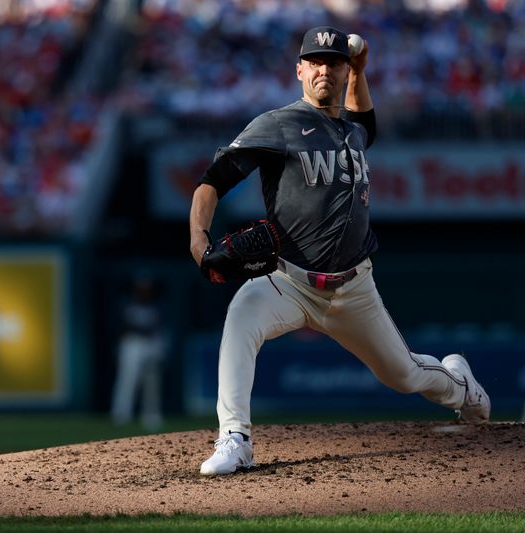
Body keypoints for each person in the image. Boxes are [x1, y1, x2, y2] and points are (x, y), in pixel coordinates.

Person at [188, 26, 490, 476]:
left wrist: (361, 71)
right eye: (315, 62)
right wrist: (198, 239)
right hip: (289, 280)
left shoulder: (352, 131)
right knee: (241, 317)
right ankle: (236, 438)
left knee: (402, 374)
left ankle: (462, 386)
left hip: (353, 287)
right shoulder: (277, 124)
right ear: (300, 70)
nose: (324, 69)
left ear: (344, 70)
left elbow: (366, 123)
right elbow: (212, 183)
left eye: (334, 62)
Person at [110, 276, 167, 431]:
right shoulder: (127, 305)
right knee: (127, 380)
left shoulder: (156, 306)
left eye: (146, 290)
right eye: (141, 289)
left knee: (152, 383)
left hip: (151, 344)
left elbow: (159, 327)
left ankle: (151, 415)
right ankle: (121, 414)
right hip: (132, 344)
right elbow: (122, 327)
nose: (143, 292)